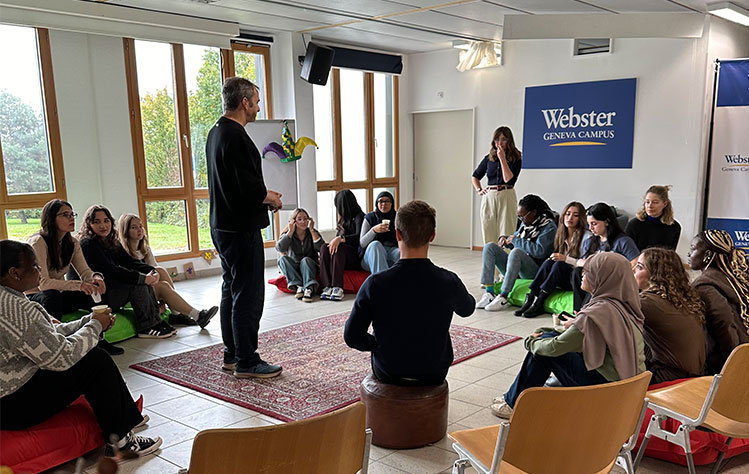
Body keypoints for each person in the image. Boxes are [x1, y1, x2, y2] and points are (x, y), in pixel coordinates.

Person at [0, 240, 162, 459]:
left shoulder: (7, 299)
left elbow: (47, 336)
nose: (40, 270)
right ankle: (121, 443)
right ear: (14, 273)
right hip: (11, 405)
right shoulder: (16, 309)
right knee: (94, 361)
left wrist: (89, 321)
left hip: (9, 393)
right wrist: (95, 327)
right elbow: (61, 357)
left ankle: (127, 418)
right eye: (34, 266)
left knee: (92, 355)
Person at [490, 252, 646, 419]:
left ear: (602, 277)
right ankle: (515, 398)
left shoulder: (596, 313)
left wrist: (530, 342)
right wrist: (548, 333)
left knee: (542, 350)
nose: (581, 275)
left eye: (588, 272)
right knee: (547, 337)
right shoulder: (622, 304)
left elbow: (555, 347)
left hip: (605, 390)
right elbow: (579, 336)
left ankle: (513, 404)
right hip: (627, 385)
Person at [344, 200, 475, 385]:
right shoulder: (448, 281)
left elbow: (352, 336)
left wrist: (377, 345)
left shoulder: (375, 284)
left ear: (397, 234)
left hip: (389, 370)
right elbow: (468, 309)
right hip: (434, 370)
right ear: (432, 236)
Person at [206, 76, 283, 379]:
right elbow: (247, 188)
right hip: (239, 227)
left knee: (232, 289)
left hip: (223, 225)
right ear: (244, 102)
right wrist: (271, 197)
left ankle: (232, 354)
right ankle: (248, 360)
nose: (258, 106)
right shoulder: (236, 136)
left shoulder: (216, 132)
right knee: (248, 295)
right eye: (256, 100)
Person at [27, 199, 121, 356]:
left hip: (59, 293)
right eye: (65, 215)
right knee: (52, 295)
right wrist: (80, 285)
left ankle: (99, 339)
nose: (71, 218)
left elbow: (85, 272)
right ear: (51, 218)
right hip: (36, 296)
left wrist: (96, 278)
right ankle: (55, 344)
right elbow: (43, 283)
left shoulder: (72, 242)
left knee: (94, 291)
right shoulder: (38, 242)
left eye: (72, 214)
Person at [78, 205, 176, 339]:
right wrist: (142, 278)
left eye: (106, 221)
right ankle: (147, 327)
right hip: (95, 296)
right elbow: (111, 270)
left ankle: (156, 322)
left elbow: (130, 262)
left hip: (111, 289)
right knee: (137, 284)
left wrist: (151, 271)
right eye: (97, 222)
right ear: (89, 224)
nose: (103, 225)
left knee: (144, 282)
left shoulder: (112, 242)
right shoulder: (87, 244)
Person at [117, 213, 218, 328]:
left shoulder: (145, 250)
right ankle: (192, 315)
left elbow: (155, 272)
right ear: (125, 231)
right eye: (134, 227)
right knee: (161, 280)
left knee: (159, 270)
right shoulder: (123, 253)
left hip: (150, 286)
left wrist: (163, 302)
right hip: (138, 291)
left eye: (140, 226)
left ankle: (179, 313)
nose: (139, 230)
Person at [633, 248, 706, 383]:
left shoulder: (648, 303)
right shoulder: (681, 298)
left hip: (668, 379)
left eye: (640, 267)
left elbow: (609, 315)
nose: (633, 270)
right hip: (693, 376)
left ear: (655, 275)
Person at [476, 194, 556, 311]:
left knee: (516, 252)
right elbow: (518, 240)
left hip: (534, 270)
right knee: (490, 247)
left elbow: (539, 251)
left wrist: (515, 240)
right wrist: (507, 240)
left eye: (522, 216)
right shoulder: (526, 224)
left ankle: (504, 296)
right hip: (517, 266)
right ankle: (489, 292)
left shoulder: (549, 227)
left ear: (533, 213)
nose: (521, 220)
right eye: (519, 217)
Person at [687, 230, 749, 374]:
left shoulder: (704, 286)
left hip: (729, 365)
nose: (689, 254)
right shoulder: (734, 278)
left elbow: (725, 326)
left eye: (693, 249)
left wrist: (734, 367)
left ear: (708, 255)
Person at [515, 201, 590, 318]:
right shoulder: (561, 234)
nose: (570, 218)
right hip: (560, 276)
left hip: (576, 279)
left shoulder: (586, 237)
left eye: (575, 215)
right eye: (568, 214)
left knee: (559, 265)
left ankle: (540, 300)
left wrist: (566, 259)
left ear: (580, 218)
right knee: (549, 262)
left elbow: (585, 265)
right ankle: (531, 297)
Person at [571, 203, 640, 311]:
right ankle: (577, 311)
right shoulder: (589, 242)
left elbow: (636, 263)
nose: (590, 228)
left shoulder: (623, 241)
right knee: (577, 272)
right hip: (592, 277)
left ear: (607, 222)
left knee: (596, 278)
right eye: (589, 224)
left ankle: (585, 313)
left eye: (594, 224)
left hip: (612, 280)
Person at [472, 126, 522, 244]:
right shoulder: (489, 158)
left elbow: (508, 179)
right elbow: (475, 176)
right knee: (488, 229)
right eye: (497, 139)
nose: (500, 143)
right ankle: (490, 258)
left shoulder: (516, 157)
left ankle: (505, 259)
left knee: (506, 230)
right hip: (490, 195)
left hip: (506, 194)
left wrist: (502, 159)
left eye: (503, 139)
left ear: (509, 140)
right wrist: (479, 190)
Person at [319, 189, 365, 302]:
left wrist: (341, 238)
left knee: (339, 248)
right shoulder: (343, 220)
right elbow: (338, 238)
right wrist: (340, 234)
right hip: (342, 256)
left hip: (355, 256)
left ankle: (337, 287)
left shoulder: (360, 216)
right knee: (324, 247)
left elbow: (359, 237)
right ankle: (327, 286)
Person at [275, 208, 324, 302]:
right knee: (282, 259)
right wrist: (290, 232)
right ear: (294, 221)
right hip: (295, 267)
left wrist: (312, 230)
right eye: (300, 219)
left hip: (309, 265)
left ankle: (309, 289)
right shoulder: (288, 233)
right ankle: (299, 286)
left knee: (305, 260)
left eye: (305, 219)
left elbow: (322, 248)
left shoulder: (312, 232)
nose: (303, 222)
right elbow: (280, 248)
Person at [625, 185, 681, 251]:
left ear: (665, 204)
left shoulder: (674, 227)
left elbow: (670, 255)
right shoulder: (633, 224)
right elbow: (627, 253)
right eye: (647, 202)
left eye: (655, 202)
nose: (650, 206)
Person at [360, 191, 400, 275]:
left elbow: (403, 240)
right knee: (375, 245)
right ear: (377, 203)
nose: (384, 204)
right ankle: (383, 284)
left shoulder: (397, 217)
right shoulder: (370, 218)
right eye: (381, 201)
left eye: (387, 201)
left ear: (392, 203)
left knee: (400, 253)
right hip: (371, 255)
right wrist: (373, 230)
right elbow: (362, 243)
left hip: (390, 251)